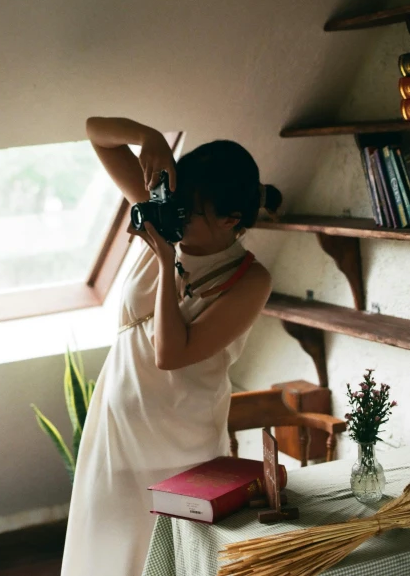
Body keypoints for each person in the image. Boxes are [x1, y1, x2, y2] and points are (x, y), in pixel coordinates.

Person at [60, 116, 282, 576]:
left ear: (230, 220)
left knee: (172, 561)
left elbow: (171, 354)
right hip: (119, 431)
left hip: (183, 444)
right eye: (176, 205)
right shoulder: (165, 217)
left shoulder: (250, 279)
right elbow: (96, 133)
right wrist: (150, 138)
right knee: (108, 553)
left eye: (190, 212)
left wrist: (164, 261)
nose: (177, 217)